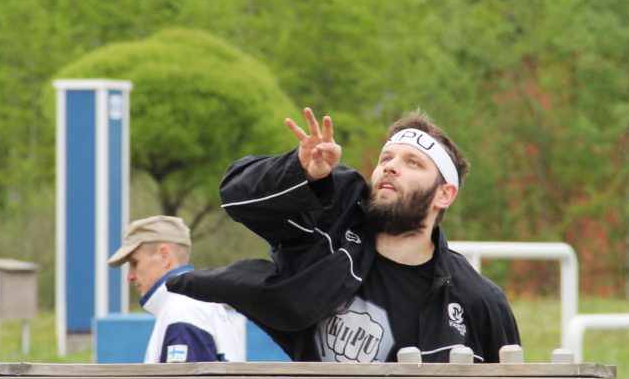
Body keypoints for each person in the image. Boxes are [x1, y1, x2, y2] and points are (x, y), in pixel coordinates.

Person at [167, 108, 520, 363]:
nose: (391, 166)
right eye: (386, 158)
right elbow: (235, 196)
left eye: (413, 162)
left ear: (444, 194)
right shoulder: (328, 237)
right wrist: (302, 173)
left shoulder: (479, 301)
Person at [108, 215, 244, 363]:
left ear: (164, 256)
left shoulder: (182, 310)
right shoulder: (195, 303)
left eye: (134, 263)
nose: (130, 276)